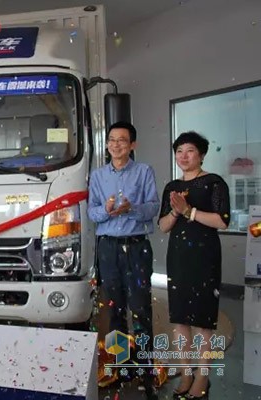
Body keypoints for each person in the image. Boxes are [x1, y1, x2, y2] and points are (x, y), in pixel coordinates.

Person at [87, 121, 160, 399]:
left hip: (137, 247)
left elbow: (153, 207)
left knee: (141, 309)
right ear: (107, 144)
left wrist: (132, 209)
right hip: (108, 248)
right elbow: (92, 212)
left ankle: (145, 370)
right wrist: (105, 211)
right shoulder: (97, 175)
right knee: (114, 309)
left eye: (122, 140)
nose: (116, 145)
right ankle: (119, 366)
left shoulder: (144, 171)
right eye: (112, 140)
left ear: (132, 145)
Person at [158, 132, 229, 399]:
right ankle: (186, 372)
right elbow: (163, 226)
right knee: (180, 319)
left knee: (202, 321)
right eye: (179, 151)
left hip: (205, 257)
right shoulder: (172, 187)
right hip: (178, 257)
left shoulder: (214, 182)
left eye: (189, 151)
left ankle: (203, 376)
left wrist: (190, 211)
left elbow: (222, 221)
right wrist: (176, 211)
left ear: (201, 154)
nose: (183, 156)